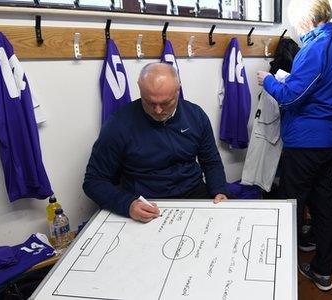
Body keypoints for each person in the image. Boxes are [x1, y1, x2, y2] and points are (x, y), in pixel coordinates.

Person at [255, 0, 332, 292]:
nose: (296, 26)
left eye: (297, 20)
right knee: (323, 206)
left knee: (291, 205)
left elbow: (291, 98)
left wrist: (269, 81)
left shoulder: (315, 49)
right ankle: (323, 271)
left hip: (306, 143)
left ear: (308, 19)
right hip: (330, 140)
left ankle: (279, 275)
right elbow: (317, 89)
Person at [83, 63, 228, 223]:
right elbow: (94, 181)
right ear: (140, 89)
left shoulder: (196, 115)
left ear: (178, 91)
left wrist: (219, 190)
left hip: (194, 196)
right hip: (147, 203)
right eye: (150, 102)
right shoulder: (118, 124)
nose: (158, 111)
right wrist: (128, 205)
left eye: (166, 103)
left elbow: (211, 161)